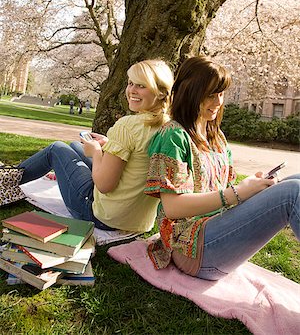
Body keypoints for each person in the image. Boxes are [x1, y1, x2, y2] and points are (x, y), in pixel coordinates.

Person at [145, 55, 300, 280]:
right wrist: (238, 193)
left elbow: (222, 194)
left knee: (296, 180)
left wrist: (253, 189)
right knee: (292, 193)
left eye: (221, 94)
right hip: (191, 248)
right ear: (190, 92)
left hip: (219, 231)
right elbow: (173, 208)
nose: (218, 102)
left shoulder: (216, 137)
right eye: (210, 94)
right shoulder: (172, 136)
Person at [19, 60, 173, 232]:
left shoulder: (128, 125)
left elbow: (104, 185)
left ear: (160, 92)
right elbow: (139, 157)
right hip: (139, 221)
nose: (132, 91)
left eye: (141, 86)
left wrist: (97, 152)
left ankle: (5, 183)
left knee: (56, 149)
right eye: (130, 83)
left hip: (102, 216)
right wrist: (109, 144)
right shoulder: (170, 127)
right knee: (76, 147)